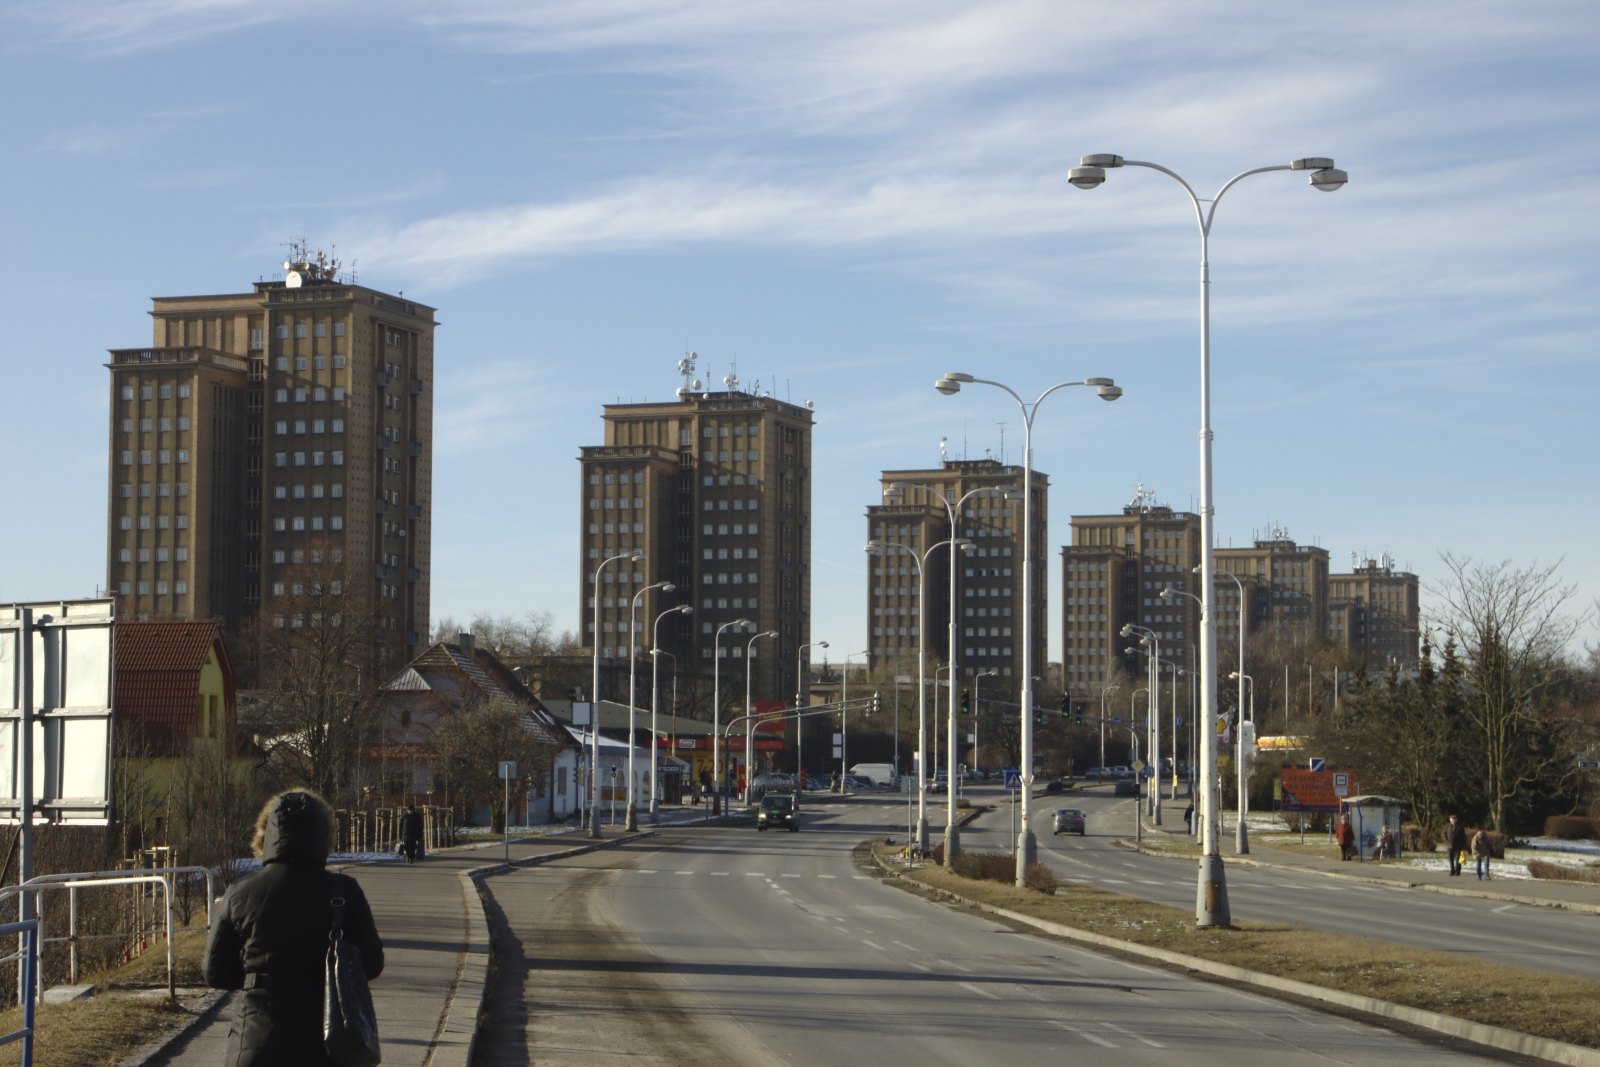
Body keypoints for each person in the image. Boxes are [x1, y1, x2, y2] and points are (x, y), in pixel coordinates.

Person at [204, 791, 385, 1067]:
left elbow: (215, 972)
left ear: (265, 837)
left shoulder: (239, 892)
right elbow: (372, 964)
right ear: (324, 836)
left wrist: (256, 974)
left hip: (255, 1041)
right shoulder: (344, 891)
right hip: (328, 1043)